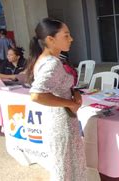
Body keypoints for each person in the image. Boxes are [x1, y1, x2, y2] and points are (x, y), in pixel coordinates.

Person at [26, 18, 86, 180]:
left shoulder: (47, 59)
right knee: (66, 171)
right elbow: (37, 95)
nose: (71, 39)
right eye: (66, 35)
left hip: (59, 122)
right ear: (50, 40)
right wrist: (70, 103)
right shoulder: (51, 63)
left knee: (68, 168)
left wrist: (74, 93)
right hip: (61, 124)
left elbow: (58, 86)